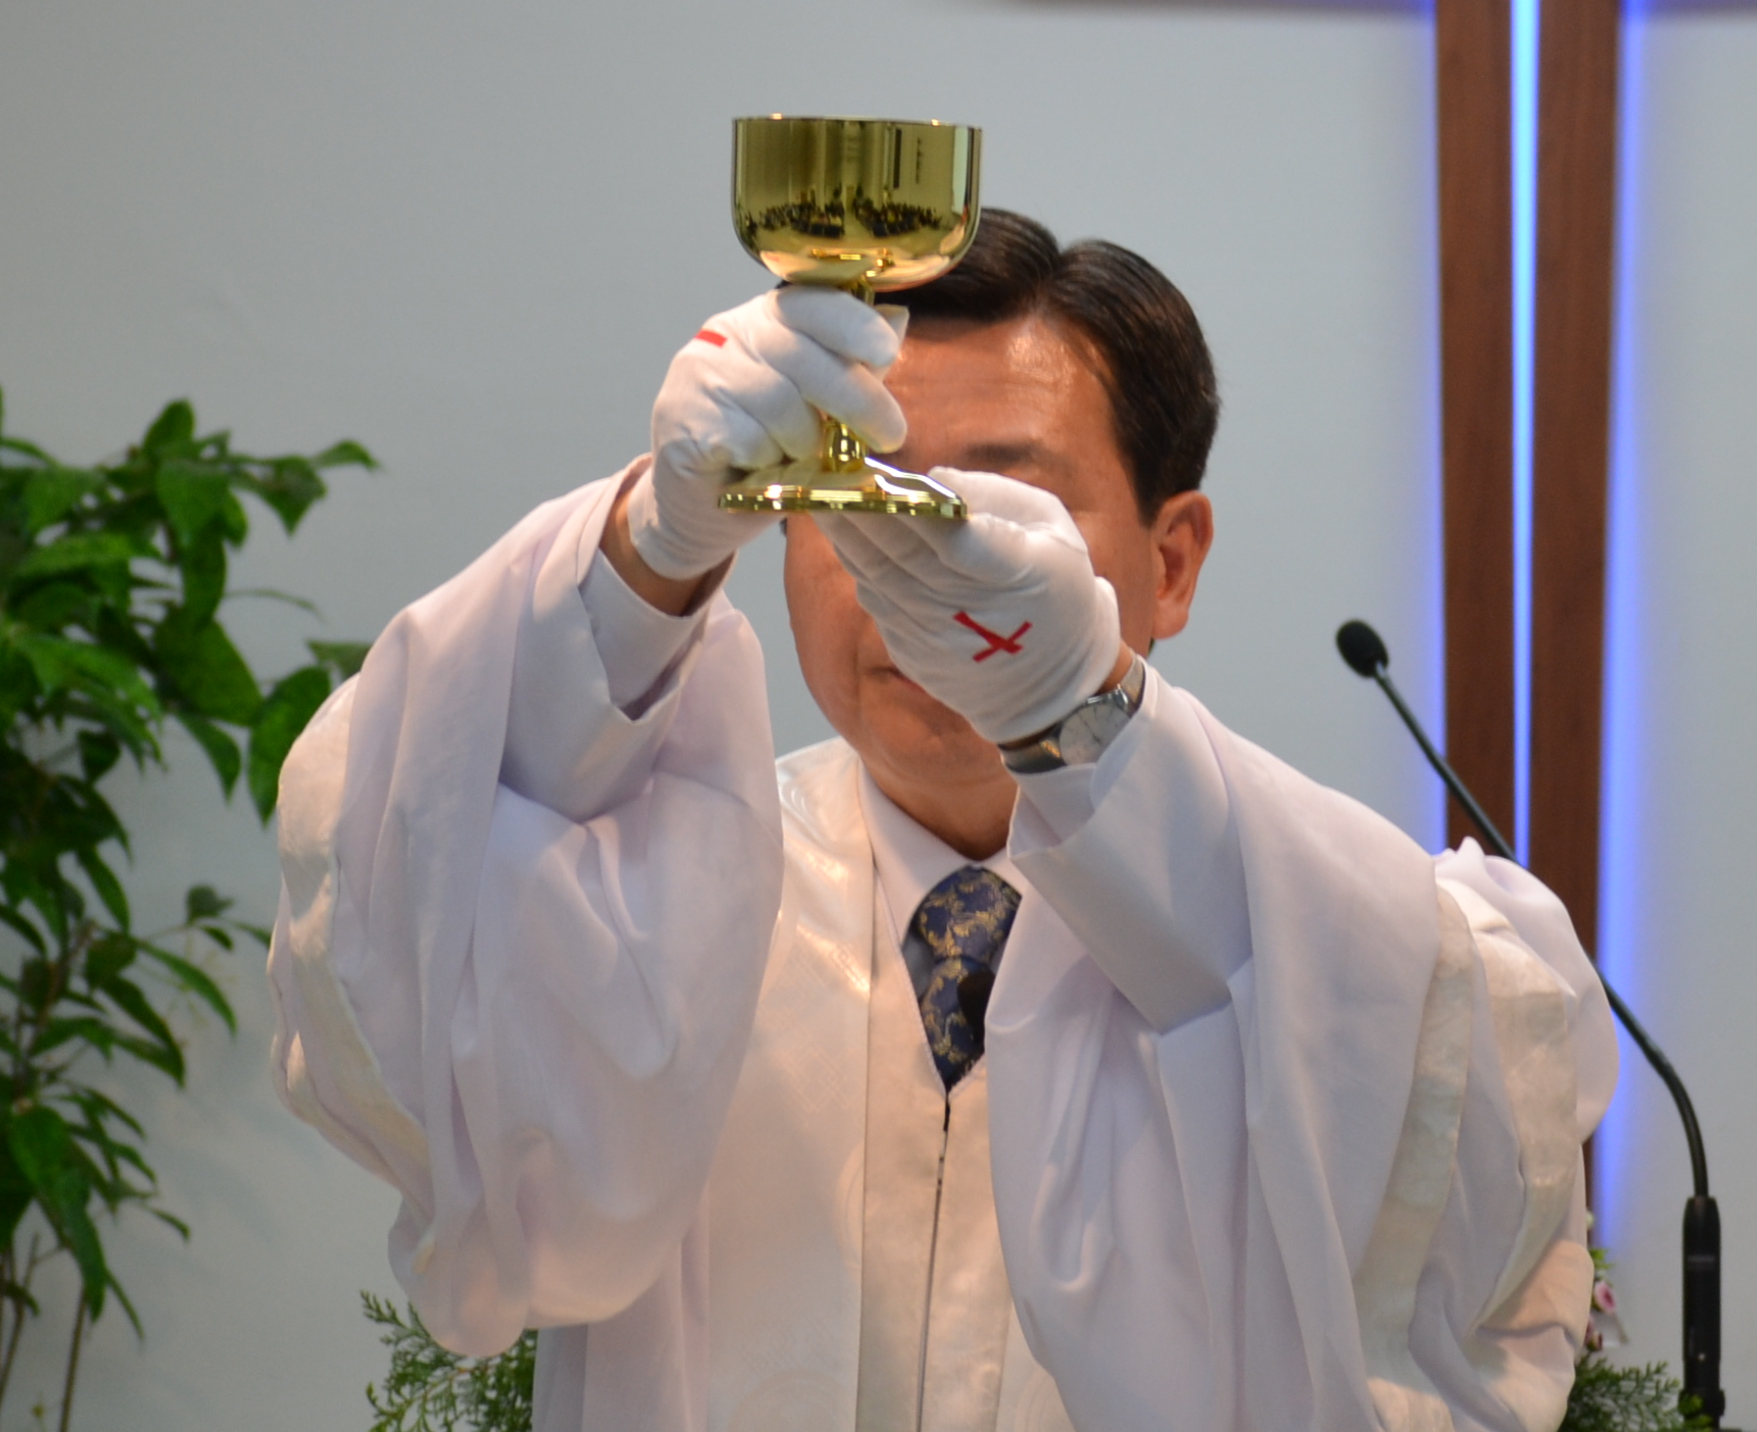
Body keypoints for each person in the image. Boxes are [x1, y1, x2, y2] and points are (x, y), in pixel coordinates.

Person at [270, 213, 1613, 1432]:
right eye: (856, 494)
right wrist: (646, 552)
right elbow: (404, 897)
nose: (915, 563)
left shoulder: (1282, 929)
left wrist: (1074, 711)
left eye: (1003, 505)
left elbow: (1459, 1143)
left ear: (1170, 560)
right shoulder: (651, 902)